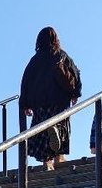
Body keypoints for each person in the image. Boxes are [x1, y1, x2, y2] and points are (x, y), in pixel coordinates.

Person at [19, 27, 82, 170]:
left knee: (41, 131)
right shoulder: (61, 55)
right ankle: (59, 157)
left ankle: (46, 162)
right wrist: (76, 93)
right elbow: (75, 74)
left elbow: (25, 82)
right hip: (60, 101)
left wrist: (24, 104)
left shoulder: (34, 61)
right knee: (61, 126)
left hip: (39, 103)